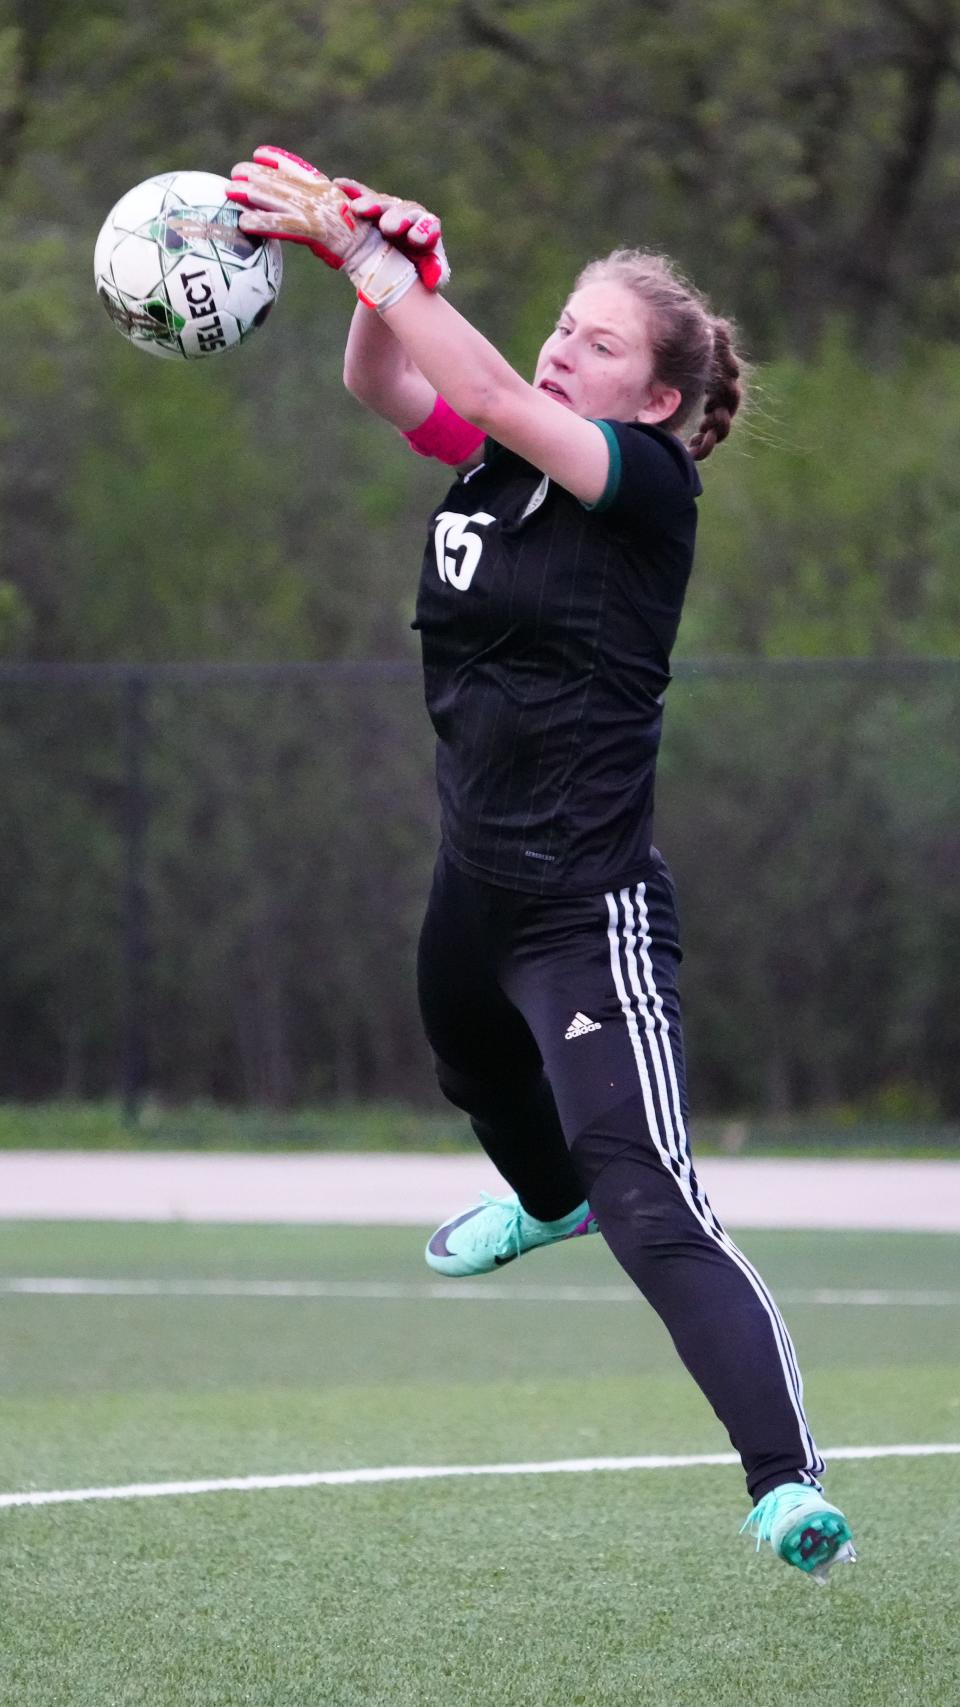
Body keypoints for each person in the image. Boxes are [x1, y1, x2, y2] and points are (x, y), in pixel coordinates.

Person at [227, 148, 856, 1583]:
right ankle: (544, 1194)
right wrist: (404, 283)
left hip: (585, 914)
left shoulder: (640, 484)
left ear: (659, 402)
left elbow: (502, 391)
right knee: (471, 1074)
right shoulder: (504, 458)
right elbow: (382, 387)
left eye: (603, 339)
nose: (566, 343)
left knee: (654, 1206)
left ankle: (785, 1485)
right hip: (472, 891)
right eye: (566, 319)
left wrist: (360, 254)